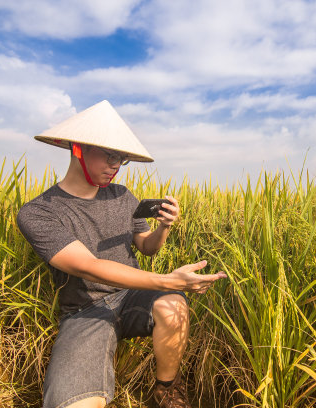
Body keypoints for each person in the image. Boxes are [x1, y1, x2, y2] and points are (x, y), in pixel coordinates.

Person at [16, 100, 227, 408]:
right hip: (85, 310)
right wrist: (170, 280)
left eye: (122, 158)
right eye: (109, 155)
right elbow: (87, 266)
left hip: (132, 295)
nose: (115, 165)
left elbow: (146, 247)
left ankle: (166, 390)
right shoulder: (39, 212)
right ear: (78, 149)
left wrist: (164, 228)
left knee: (174, 307)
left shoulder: (123, 196)